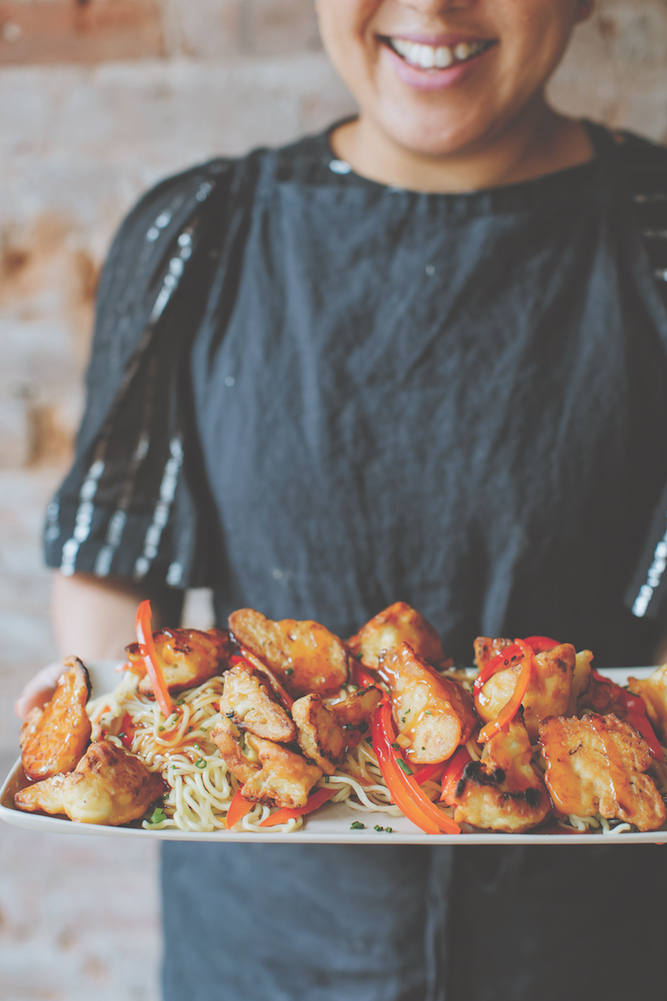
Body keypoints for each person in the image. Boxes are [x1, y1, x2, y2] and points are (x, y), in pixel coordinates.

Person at [16, 1, 667, 998]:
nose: (433, 7)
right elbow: (114, 548)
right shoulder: (197, 231)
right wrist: (100, 707)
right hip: (263, 943)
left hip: (596, 945)